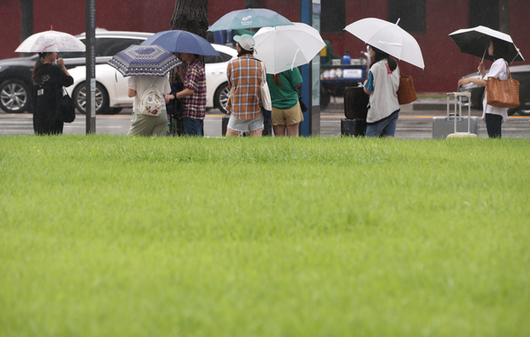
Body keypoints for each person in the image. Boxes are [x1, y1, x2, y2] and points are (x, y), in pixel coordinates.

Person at [458, 39, 510, 138]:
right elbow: (490, 82)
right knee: (494, 135)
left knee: (494, 136)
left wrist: (470, 79)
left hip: (493, 106)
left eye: (490, 45)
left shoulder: (499, 63)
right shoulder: (501, 63)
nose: (489, 47)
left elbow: (485, 82)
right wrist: (483, 72)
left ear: (496, 47)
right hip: (494, 106)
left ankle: (496, 152)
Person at [225, 34, 265, 137]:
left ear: (239, 47)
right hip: (255, 108)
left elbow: (232, 87)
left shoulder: (231, 64)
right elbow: (262, 86)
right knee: (256, 146)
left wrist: (229, 107)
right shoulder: (261, 65)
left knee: (228, 145)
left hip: (238, 109)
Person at [363, 45, 400, 138]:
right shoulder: (393, 64)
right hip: (394, 107)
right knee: (388, 138)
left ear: (376, 50)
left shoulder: (375, 67)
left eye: (370, 48)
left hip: (380, 110)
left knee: (369, 140)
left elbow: (367, 90)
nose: (369, 50)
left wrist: (365, 83)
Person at [32, 51, 74, 135]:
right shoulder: (55, 69)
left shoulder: (37, 70)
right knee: (54, 135)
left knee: (42, 135)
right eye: (55, 52)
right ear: (48, 55)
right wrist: (62, 67)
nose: (57, 54)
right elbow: (69, 81)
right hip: (54, 108)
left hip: (40, 109)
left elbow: (33, 92)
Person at [168, 53, 206, 136]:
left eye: (183, 52)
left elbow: (190, 90)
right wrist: (181, 74)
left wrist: (173, 96)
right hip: (196, 111)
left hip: (192, 111)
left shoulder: (194, 68)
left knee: (194, 142)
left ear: (190, 53)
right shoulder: (195, 66)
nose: (181, 54)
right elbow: (189, 86)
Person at [266, 68, 304, 136]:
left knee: (280, 141)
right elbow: (298, 83)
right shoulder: (290, 65)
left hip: (275, 107)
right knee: (292, 139)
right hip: (292, 105)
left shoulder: (268, 69)